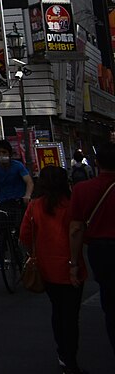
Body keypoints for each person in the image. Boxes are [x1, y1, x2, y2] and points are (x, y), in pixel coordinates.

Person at [21, 166, 87, 374]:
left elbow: (25, 235)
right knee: (71, 315)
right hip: (71, 266)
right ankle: (70, 358)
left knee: (58, 311)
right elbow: (79, 231)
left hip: (46, 267)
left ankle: (62, 352)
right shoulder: (71, 204)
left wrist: (34, 252)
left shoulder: (35, 206)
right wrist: (74, 263)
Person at [69, 142, 115, 359]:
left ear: (96, 163)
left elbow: (76, 228)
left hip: (101, 250)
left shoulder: (82, 189)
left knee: (110, 300)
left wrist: (74, 264)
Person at [0, 138, 34, 229]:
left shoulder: (18, 166)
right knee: (1, 224)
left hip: (19, 201)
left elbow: (29, 182)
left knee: (22, 226)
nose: (1, 155)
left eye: (4, 152)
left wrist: (27, 195)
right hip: (3, 201)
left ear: (9, 153)